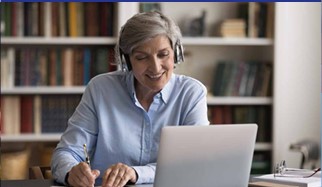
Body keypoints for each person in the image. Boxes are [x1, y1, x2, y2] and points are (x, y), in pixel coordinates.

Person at [51, 11, 209, 187]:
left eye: (163, 54)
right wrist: (71, 171)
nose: (155, 67)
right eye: (142, 57)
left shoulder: (191, 93)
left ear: (176, 53)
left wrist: (135, 173)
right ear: (127, 61)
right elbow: (66, 152)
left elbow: (193, 162)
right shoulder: (101, 89)